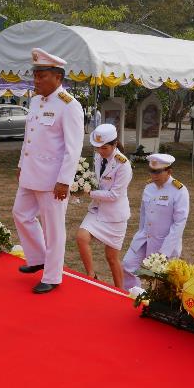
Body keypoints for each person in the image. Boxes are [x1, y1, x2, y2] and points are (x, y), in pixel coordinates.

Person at [13, 48, 84, 294]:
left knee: (53, 228)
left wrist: (65, 181)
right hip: (31, 172)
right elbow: (29, 137)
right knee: (20, 214)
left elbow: (73, 148)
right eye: (35, 75)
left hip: (53, 179)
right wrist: (21, 164)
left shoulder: (69, 105)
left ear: (58, 77)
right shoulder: (35, 101)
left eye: (41, 76)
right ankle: (38, 258)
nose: (36, 80)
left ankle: (52, 276)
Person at [76, 124, 132, 290]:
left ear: (114, 144)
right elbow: (98, 179)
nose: (100, 151)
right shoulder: (98, 156)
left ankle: (120, 292)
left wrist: (89, 192)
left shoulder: (123, 164)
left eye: (104, 148)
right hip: (97, 209)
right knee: (81, 237)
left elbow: (114, 195)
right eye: (97, 148)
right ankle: (91, 275)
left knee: (112, 258)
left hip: (115, 215)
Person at [122, 153, 190, 290]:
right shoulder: (149, 187)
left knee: (160, 283)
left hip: (164, 244)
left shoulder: (179, 191)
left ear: (169, 172)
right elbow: (143, 215)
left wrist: (164, 252)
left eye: (158, 172)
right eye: (151, 171)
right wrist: (140, 233)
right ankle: (133, 295)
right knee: (128, 265)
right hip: (144, 238)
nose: (153, 175)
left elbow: (179, 224)